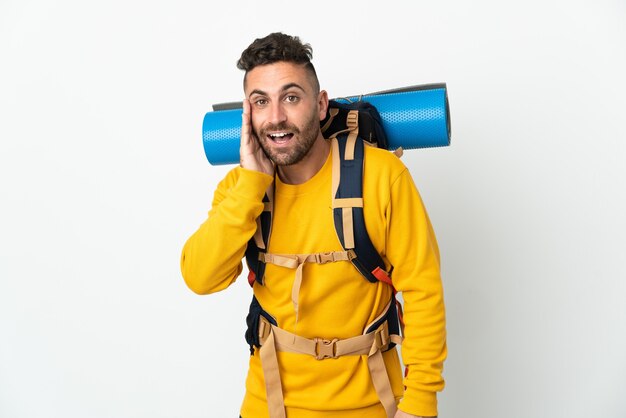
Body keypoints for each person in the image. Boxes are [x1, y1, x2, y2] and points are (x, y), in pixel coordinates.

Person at [181, 32, 446, 418]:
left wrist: (421, 402)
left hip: (372, 404)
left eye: (291, 97)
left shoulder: (381, 177)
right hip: (267, 405)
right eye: (260, 102)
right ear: (247, 114)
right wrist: (252, 185)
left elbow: (424, 292)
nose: (275, 117)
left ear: (320, 105)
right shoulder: (240, 190)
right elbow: (200, 277)